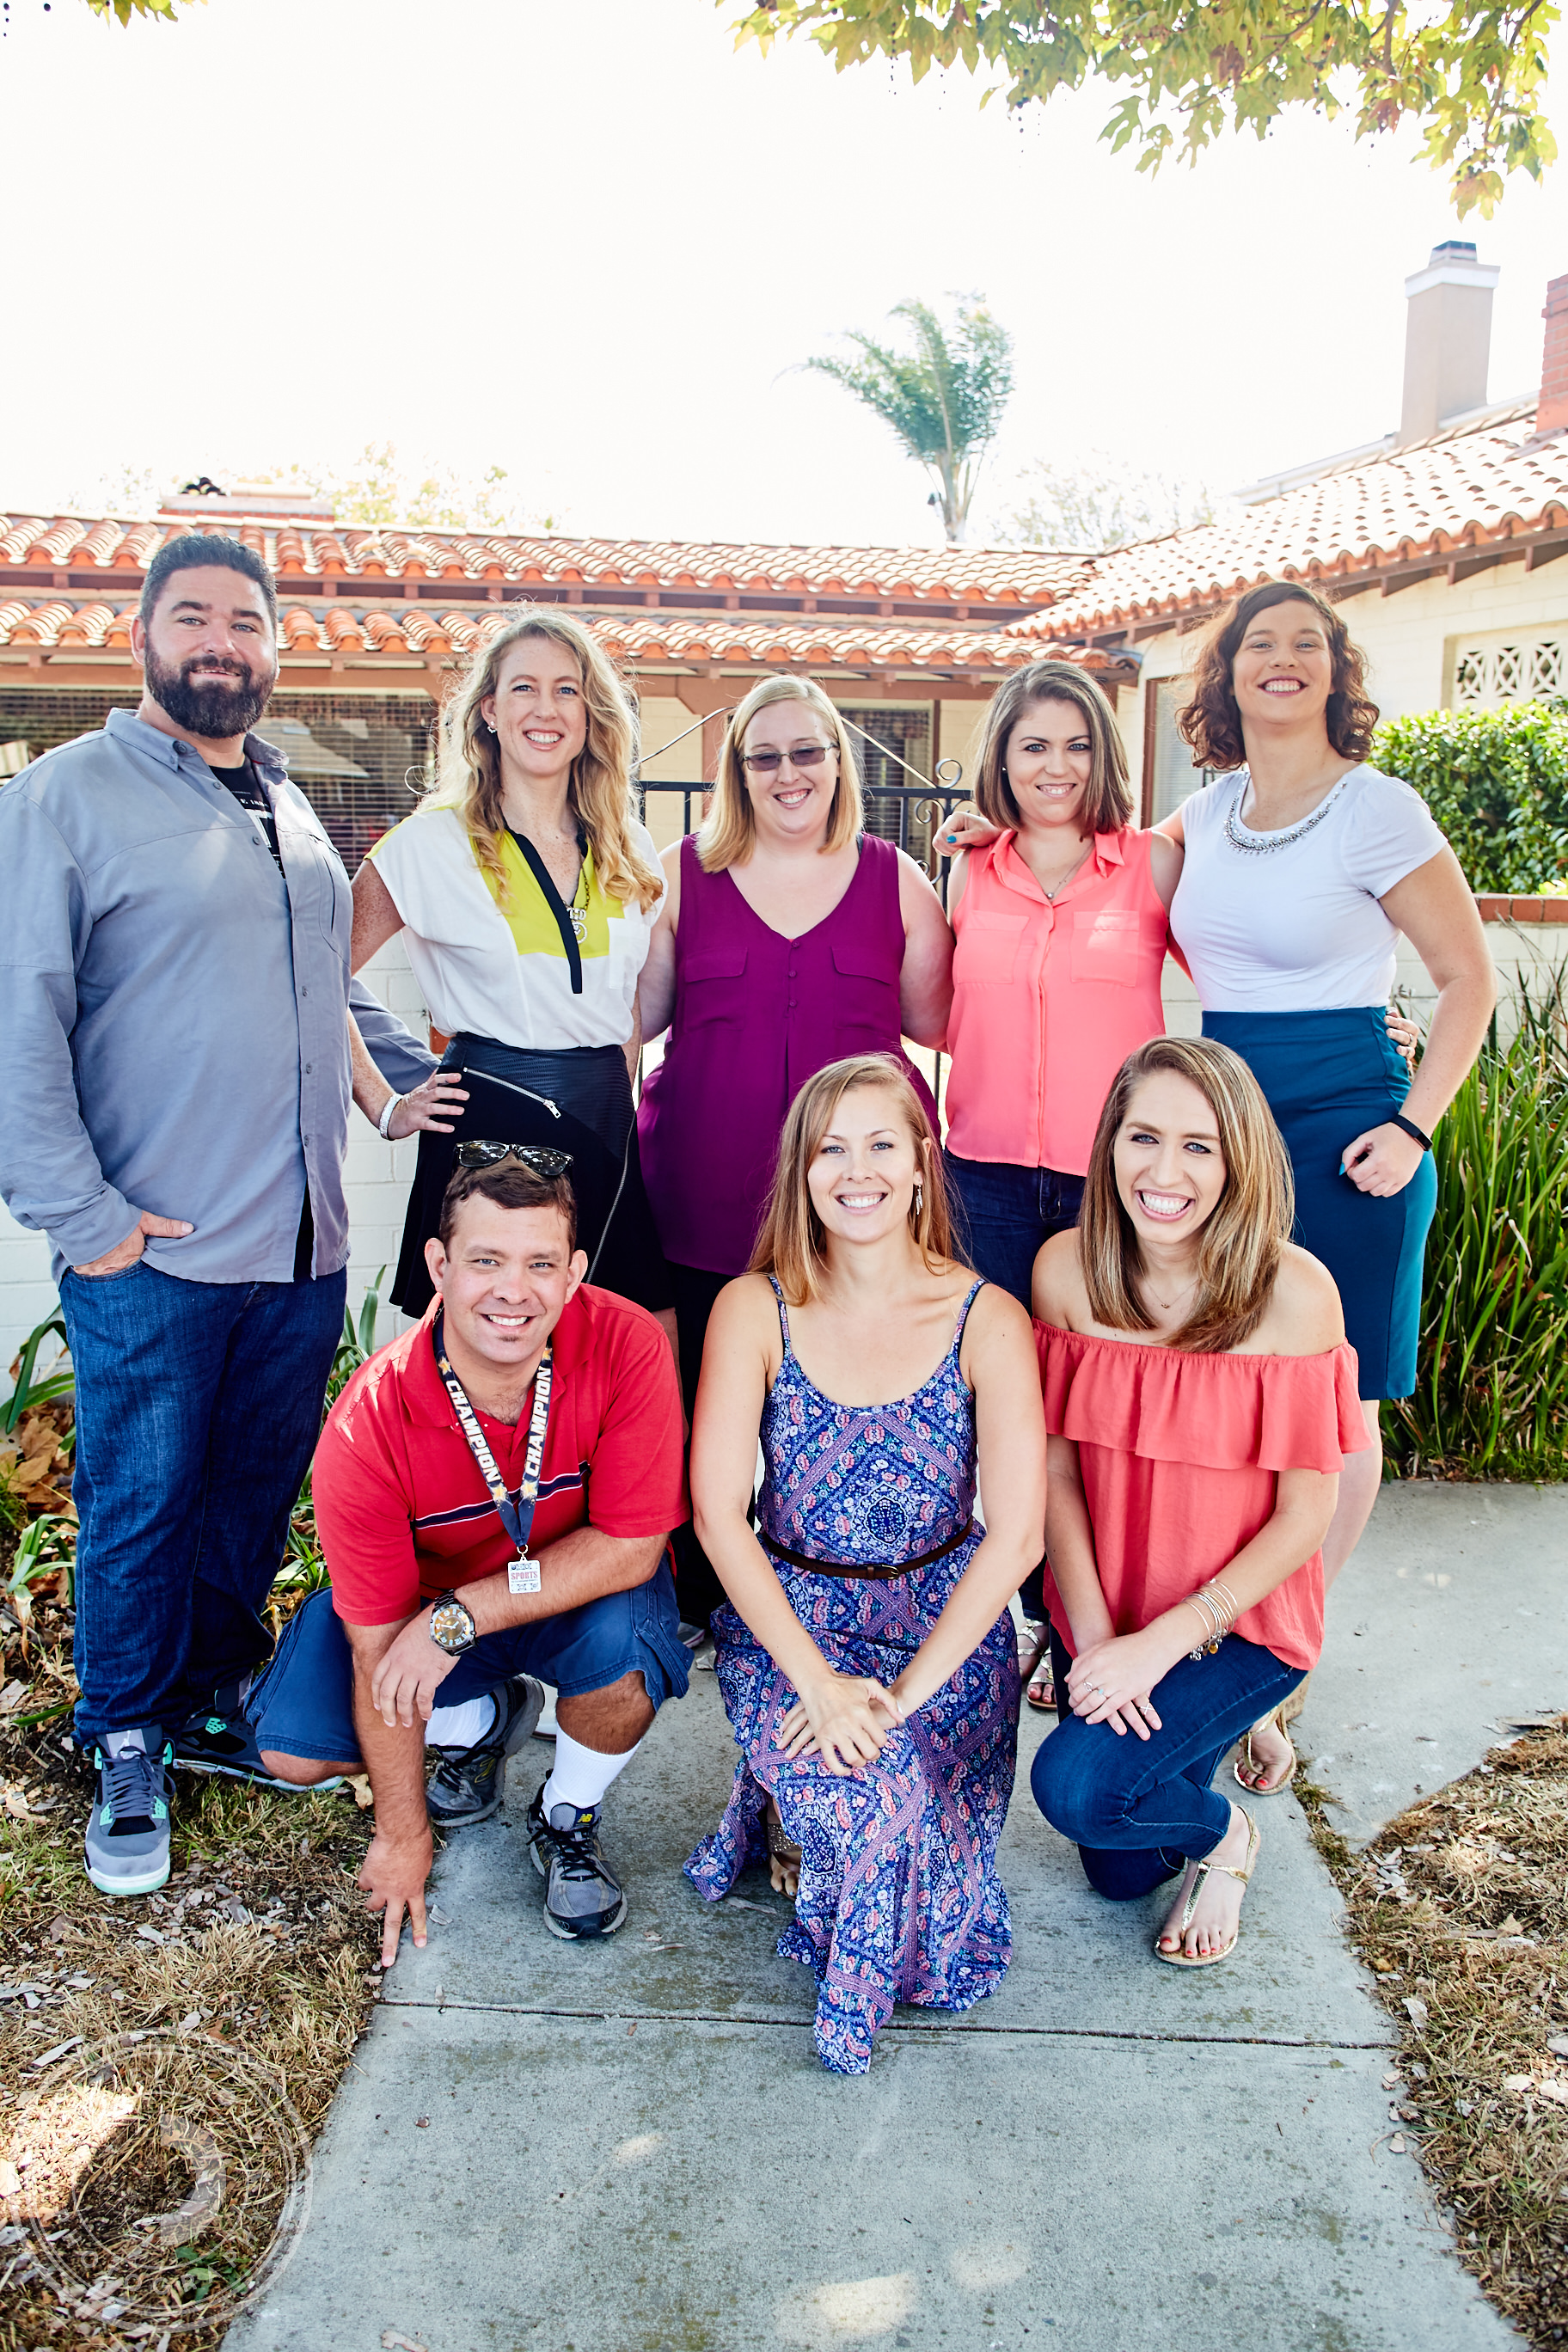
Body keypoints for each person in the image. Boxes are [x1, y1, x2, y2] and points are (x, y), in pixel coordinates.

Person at [0, 531, 459, 1900]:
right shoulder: (66, 798)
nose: (222, 643)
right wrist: (86, 1220)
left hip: (300, 1244)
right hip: (155, 1249)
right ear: (143, 636)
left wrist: (401, 1096)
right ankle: (124, 1734)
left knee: (253, 1489)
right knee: (140, 1498)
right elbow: (19, 1019)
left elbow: (327, 988)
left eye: (246, 623)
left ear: (273, 648)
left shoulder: (285, 799)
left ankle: (206, 1694)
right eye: (194, 617)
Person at [1167, 582, 1495, 1793]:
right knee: (1227, 1398)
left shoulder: (1377, 810)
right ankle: (1212, 1624)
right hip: (1225, 1139)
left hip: (1358, 1128)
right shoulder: (1201, 816)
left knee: (1336, 1409)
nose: (1285, 660)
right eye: (1263, 644)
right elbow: (1087, 875)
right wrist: (982, 843)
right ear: (1231, 676)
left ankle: (1279, 1662)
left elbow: (1469, 982)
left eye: (1311, 643)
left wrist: (1414, 1124)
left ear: (1337, 672)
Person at [685, 1053, 1046, 2074]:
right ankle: (846, 2003)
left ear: (923, 1165)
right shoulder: (756, 1309)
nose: (859, 1170)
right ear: (802, 1171)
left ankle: (804, 1837)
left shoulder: (990, 1318)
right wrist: (819, 1683)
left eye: (883, 1144)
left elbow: (1016, 1534)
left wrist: (894, 1697)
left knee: (938, 1906)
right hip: (794, 1619)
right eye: (832, 1148)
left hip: (947, 1629)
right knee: (874, 1803)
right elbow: (717, 1515)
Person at [236, 1152, 689, 1958]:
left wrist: (460, 1617)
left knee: (626, 1670)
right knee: (293, 1750)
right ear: (439, 1265)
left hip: (565, 1597)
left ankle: (566, 1815)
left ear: (576, 1271)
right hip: (423, 1609)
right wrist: (403, 1834)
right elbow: (381, 1639)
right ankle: (479, 1720)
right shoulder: (367, 1423)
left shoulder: (628, 1344)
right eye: (485, 1261)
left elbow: (631, 1545)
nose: (514, 1291)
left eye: (541, 1264)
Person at [1029, 1038, 1366, 1964]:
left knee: (1079, 1790)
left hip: (1241, 1623)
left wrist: (1167, 1642)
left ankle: (1229, 1837)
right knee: (1118, 1872)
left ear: (1238, 1159)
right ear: (1109, 1147)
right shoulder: (1065, 1273)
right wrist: (1097, 1641)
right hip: (1115, 1611)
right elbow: (1055, 1475)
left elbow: (1306, 1514)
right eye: (1143, 1137)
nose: (1164, 1172)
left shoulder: (1295, 1294)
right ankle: (1203, 1748)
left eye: (1198, 1146)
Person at [637, 677, 953, 1629]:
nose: (787, 773)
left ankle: (836, 1579)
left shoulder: (897, 878)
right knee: (702, 1405)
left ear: (838, 761)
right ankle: (703, 1599)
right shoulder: (676, 875)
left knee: (837, 1399)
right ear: (736, 772)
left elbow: (938, 1024)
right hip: (700, 1197)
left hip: (854, 1212)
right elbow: (632, 1020)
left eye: (807, 751)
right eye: (763, 755)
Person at [941, 659, 1177, 1714]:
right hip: (982, 1174)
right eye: (1034, 744)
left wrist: (1376, 1022)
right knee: (1001, 1408)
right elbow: (929, 1010)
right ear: (1002, 755)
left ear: (1104, 756)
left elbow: (1237, 979)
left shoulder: (1153, 867)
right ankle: (1027, 1618)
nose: (1056, 765)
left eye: (1077, 744)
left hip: (1110, 1190)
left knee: (1099, 1411)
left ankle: (1104, 1626)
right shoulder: (965, 869)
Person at [350, 609, 677, 1350]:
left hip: (601, 1117)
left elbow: (623, 1004)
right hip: (487, 1119)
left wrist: (615, 1104)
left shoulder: (629, 849)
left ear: (590, 715)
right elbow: (313, 979)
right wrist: (385, 1104)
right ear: (489, 709)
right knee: (489, 1352)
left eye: (567, 690)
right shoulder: (430, 843)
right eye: (523, 687)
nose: (546, 708)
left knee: (644, 1339)